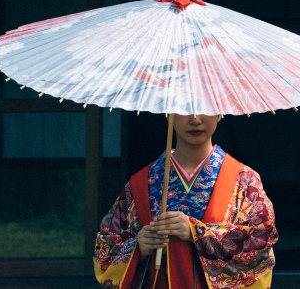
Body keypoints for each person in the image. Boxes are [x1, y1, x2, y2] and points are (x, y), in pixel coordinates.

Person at [94, 114, 277, 289]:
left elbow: (261, 245)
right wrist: (138, 247)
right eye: (184, 108)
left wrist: (195, 232)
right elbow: (105, 249)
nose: (195, 119)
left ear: (220, 112)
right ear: (168, 113)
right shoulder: (142, 182)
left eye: (205, 106)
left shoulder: (244, 180)